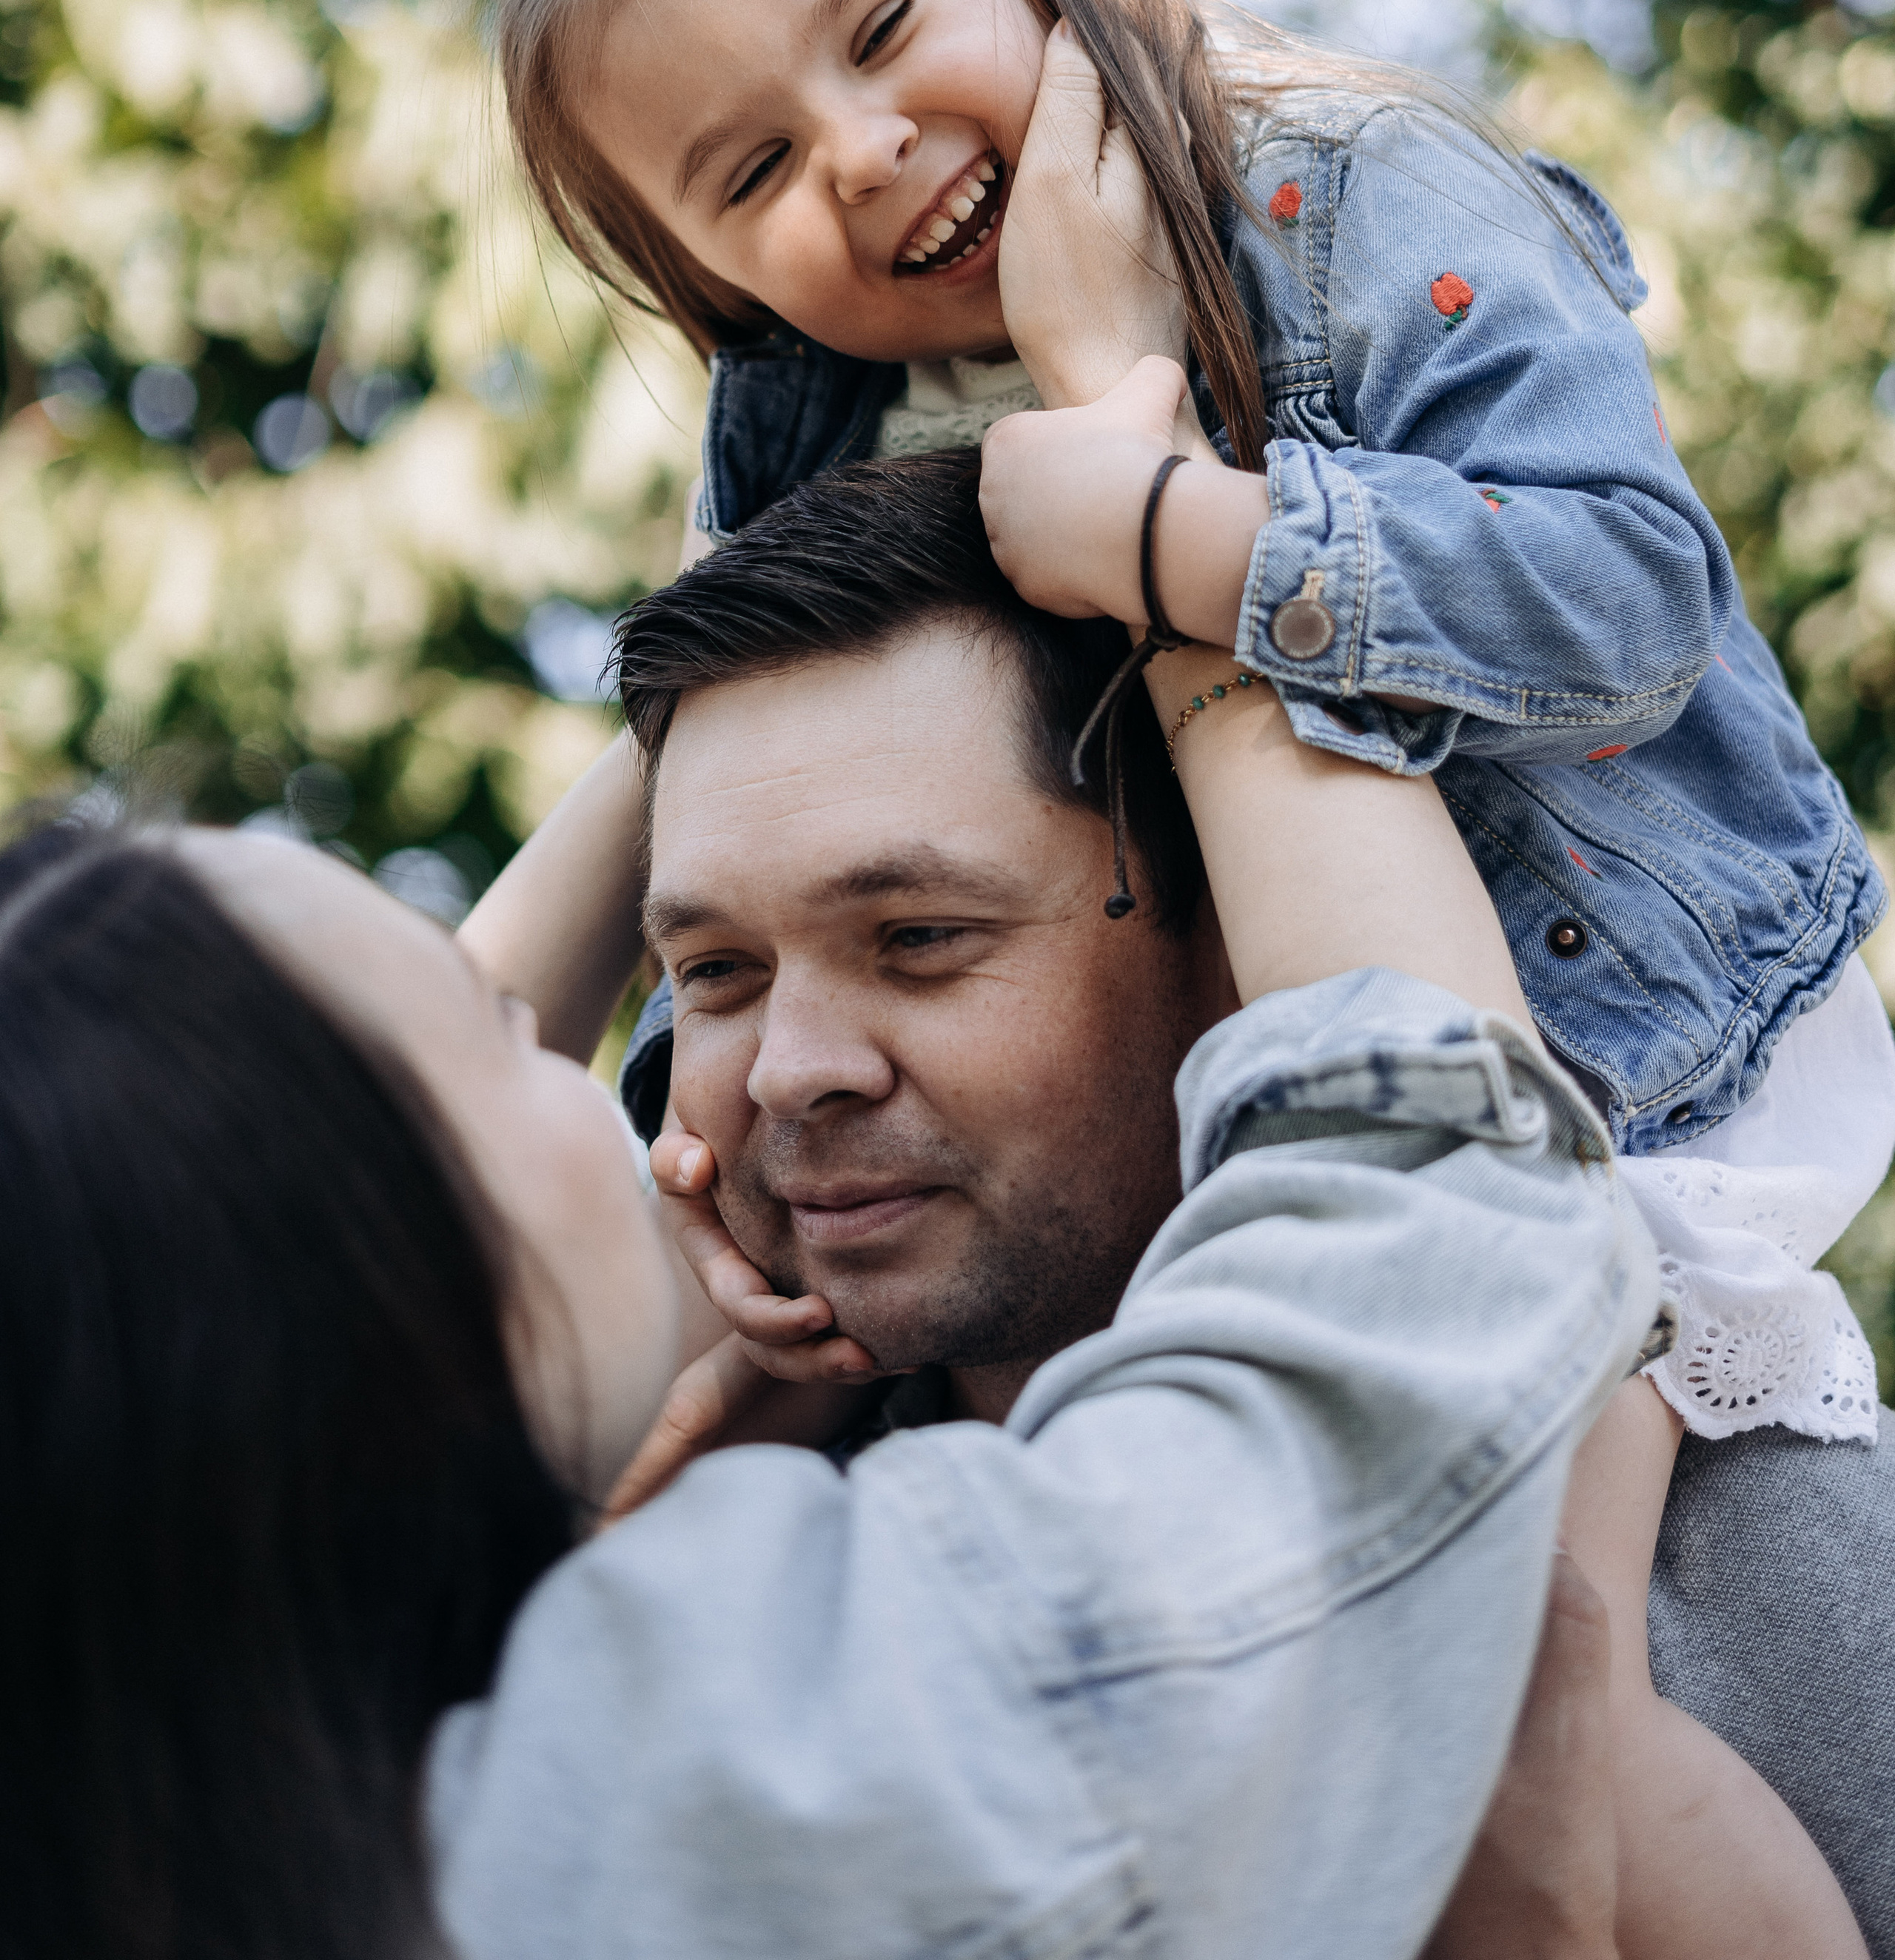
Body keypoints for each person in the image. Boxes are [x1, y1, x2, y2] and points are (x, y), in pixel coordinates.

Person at [480, 0, 1893, 1953]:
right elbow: (725, 781)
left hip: (1617, 1066)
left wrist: (1175, 529)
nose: (856, 159)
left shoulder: (1351, 195)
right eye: (744, 176)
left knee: (1533, 1652)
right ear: (698, 274)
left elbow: (1633, 599)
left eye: (884, 28)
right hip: (1259, 1121)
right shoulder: (810, 406)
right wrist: (698, 1143)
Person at [0, 497, 1654, 1960]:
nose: (776, 1076)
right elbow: (1431, 1176)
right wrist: (1182, 553)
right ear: (374, 1298)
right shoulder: (762, 1759)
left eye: (920, 935)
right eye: (702, 972)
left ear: (1220, 951)